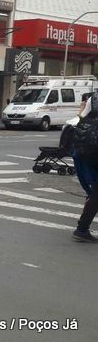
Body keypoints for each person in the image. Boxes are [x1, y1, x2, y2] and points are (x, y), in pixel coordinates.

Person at [70, 93, 98, 242]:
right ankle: (82, 228)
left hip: (87, 145)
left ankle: (82, 228)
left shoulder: (94, 97)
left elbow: (82, 118)